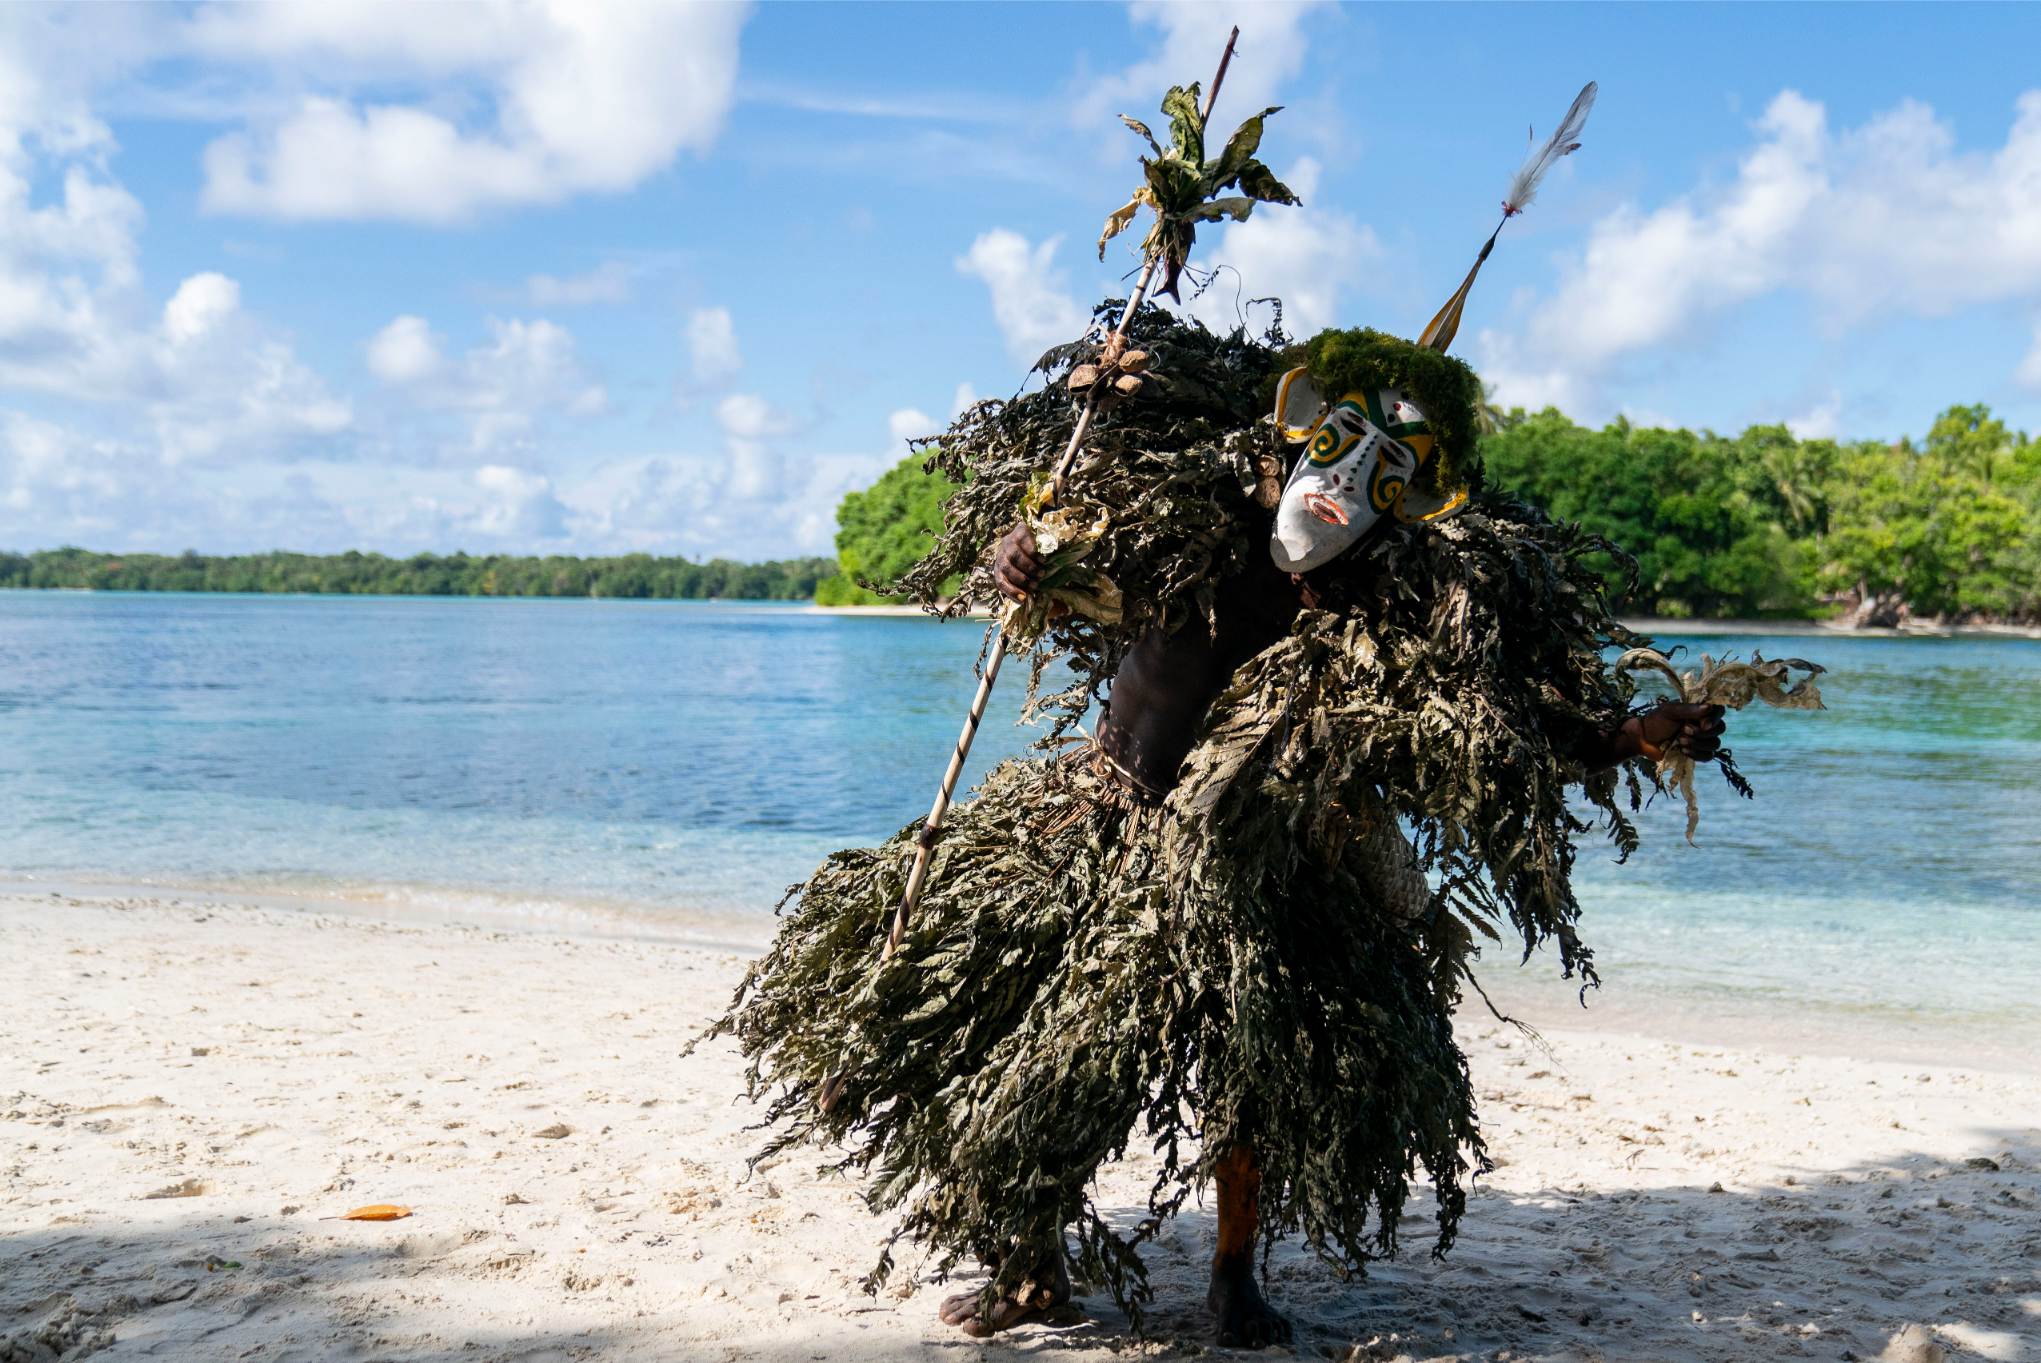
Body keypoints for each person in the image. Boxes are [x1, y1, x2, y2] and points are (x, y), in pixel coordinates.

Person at [974, 511, 1727, 1344]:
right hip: (1120, 821)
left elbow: (1499, 716)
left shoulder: (1390, 596)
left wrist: (1629, 734)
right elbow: (1060, 564)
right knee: (1058, 1064)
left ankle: (1232, 1280)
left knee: (1253, 1073)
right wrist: (1019, 553)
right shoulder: (1196, 532)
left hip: (1280, 854)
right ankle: (1030, 1267)